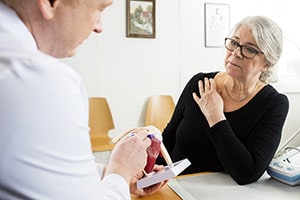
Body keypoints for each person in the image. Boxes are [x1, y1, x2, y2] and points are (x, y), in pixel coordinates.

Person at [0, 0, 166, 199]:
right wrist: (121, 168)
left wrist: (113, 177)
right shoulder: (38, 79)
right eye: (98, 9)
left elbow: (34, 171)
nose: (99, 27)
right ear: (50, 3)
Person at [157, 16, 289, 185]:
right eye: (234, 43)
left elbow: (247, 173)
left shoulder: (274, 104)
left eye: (249, 49)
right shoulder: (199, 83)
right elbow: (168, 138)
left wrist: (216, 117)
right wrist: (152, 178)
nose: (236, 53)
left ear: (268, 63)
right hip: (176, 186)